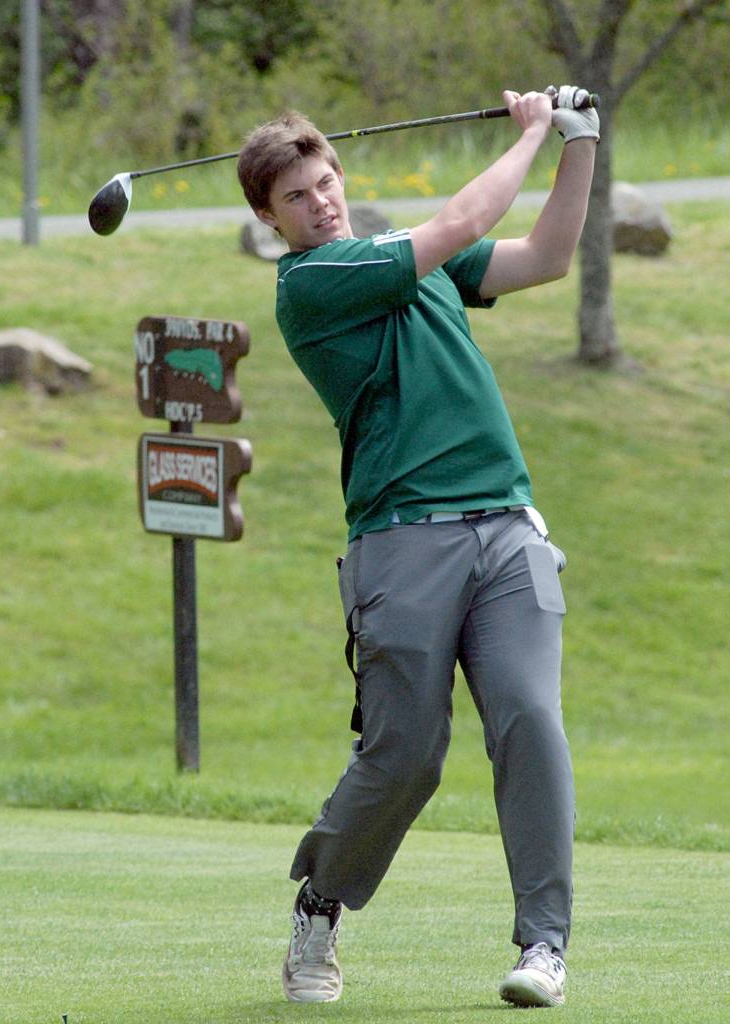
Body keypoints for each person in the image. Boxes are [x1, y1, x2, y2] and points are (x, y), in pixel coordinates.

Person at [237, 85, 599, 1009]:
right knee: (406, 755)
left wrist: (579, 142)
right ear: (270, 220)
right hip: (402, 540)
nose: (320, 201)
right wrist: (528, 135)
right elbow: (461, 218)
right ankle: (320, 902)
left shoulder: (416, 264)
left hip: (507, 527)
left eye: (325, 182)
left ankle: (544, 945)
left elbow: (548, 256)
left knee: (529, 718)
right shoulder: (313, 285)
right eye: (296, 197)